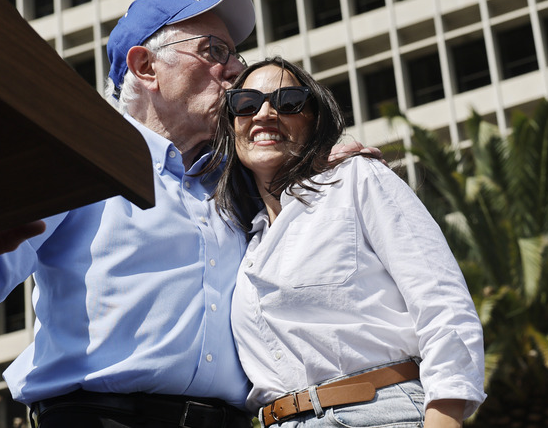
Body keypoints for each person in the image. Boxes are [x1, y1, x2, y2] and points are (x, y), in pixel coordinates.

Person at [0, 0, 374, 427]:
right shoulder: (82, 159)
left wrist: (320, 167)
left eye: (236, 55)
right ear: (146, 67)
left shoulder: (244, 182)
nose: (236, 69)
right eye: (214, 50)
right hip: (99, 417)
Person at [206, 56, 486, 428]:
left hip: (380, 415)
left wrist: (444, 419)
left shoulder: (357, 179)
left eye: (288, 101)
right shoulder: (245, 240)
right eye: (245, 103)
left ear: (314, 121)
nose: (265, 113)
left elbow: (442, 304)